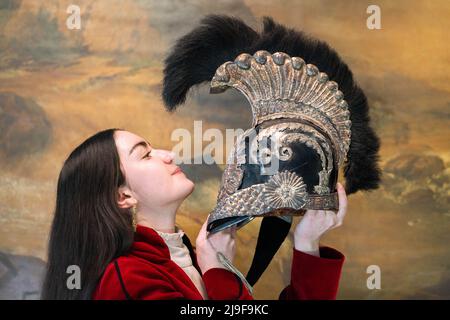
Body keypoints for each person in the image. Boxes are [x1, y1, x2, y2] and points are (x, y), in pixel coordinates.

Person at [41, 128, 346, 300]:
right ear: (124, 196)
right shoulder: (127, 279)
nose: (168, 154)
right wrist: (218, 274)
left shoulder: (185, 256)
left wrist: (307, 244)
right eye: (145, 154)